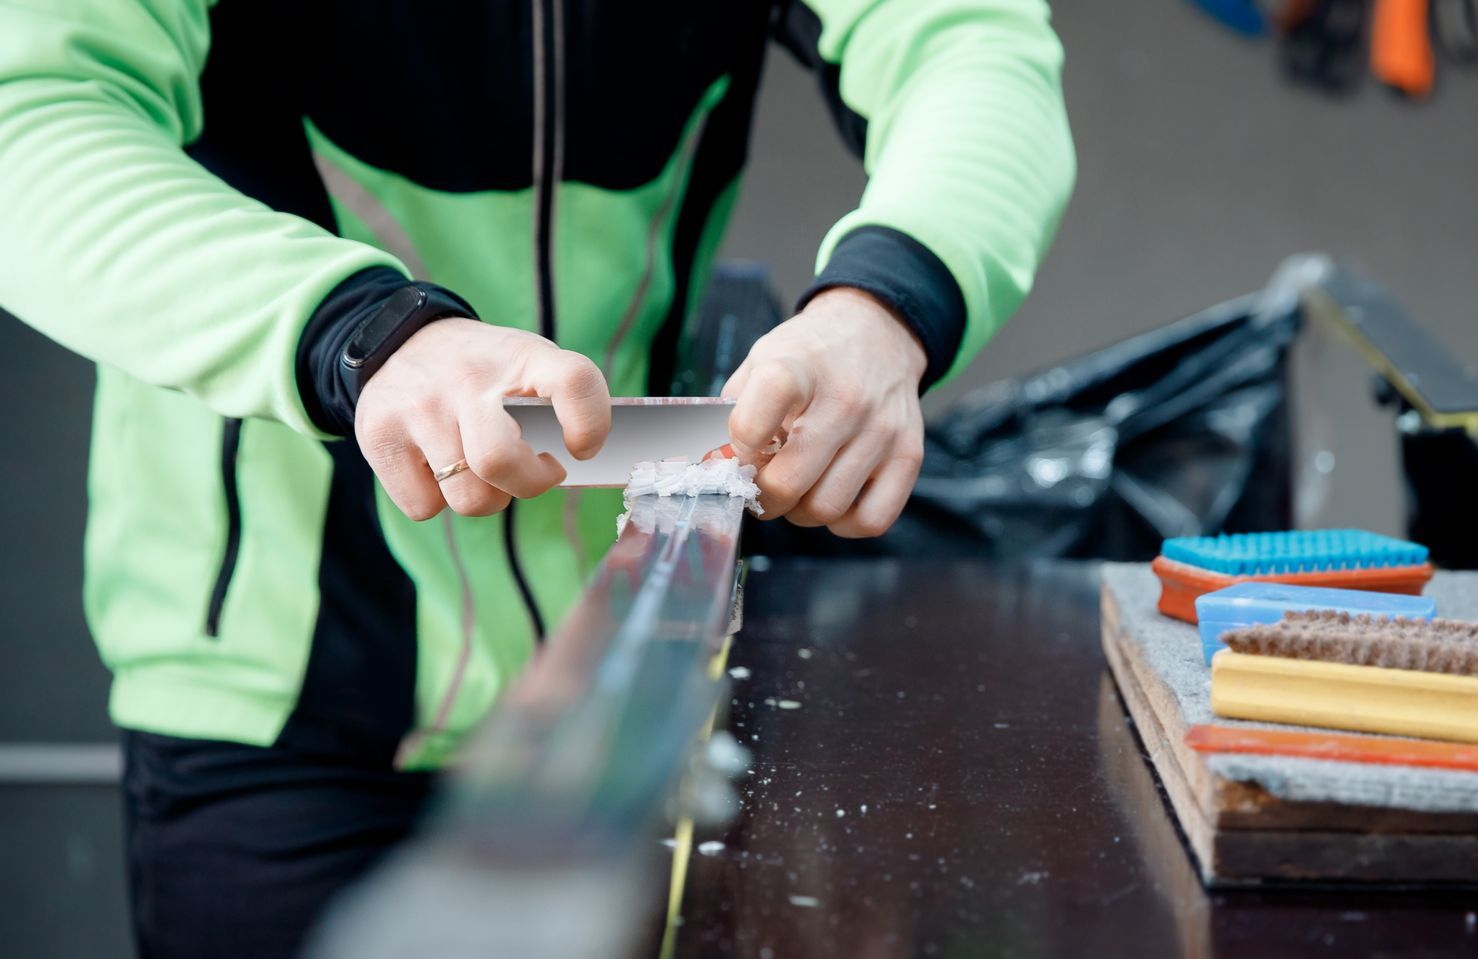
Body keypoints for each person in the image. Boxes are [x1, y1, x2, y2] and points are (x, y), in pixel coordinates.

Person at [0, 1, 1074, 954]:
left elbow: (967, 42)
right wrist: (360, 332)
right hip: (277, 710)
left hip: (639, 686)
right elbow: (31, 113)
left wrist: (886, 301)